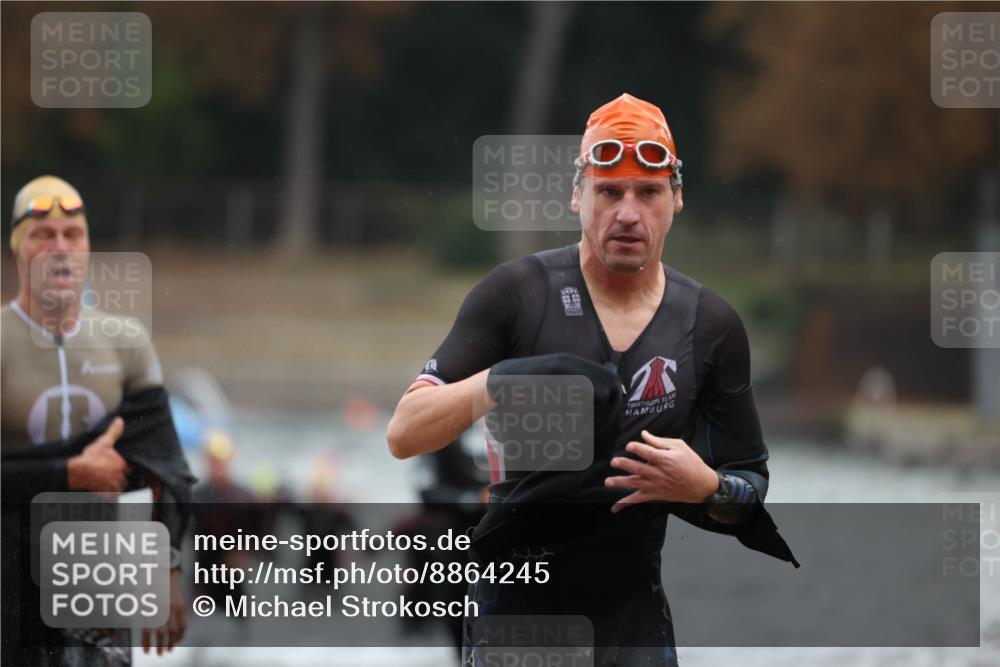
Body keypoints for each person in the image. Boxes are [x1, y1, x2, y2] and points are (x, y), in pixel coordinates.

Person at [387, 94, 797, 666]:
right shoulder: (518, 296)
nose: (628, 212)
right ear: (578, 196)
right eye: (609, 192)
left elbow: (750, 489)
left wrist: (705, 487)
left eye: (648, 192)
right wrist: (501, 381)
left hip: (632, 619)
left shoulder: (710, 326)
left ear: (676, 199)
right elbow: (404, 434)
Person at [1, 176, 194, 666]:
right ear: (18, 248)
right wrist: (67, 474)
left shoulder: (125, 342)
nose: (60, 248)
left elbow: (166, 466)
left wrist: (167, 566)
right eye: (45, 236)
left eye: (74, 235)